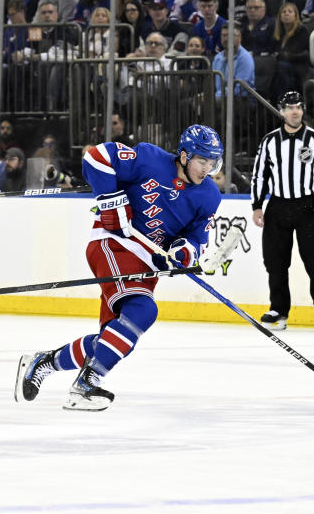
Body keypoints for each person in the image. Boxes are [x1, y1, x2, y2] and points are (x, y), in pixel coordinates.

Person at [14, 125, 223, 411]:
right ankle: (85, 386)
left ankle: (44, 362)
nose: (206, 169)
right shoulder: (149, 158)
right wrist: (111, 202)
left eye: (212, 163)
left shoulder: (209, 196)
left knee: (113, 337)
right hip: (114, 242)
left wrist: (179, 253)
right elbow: (96, 157)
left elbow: (196, 239)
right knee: (143, 311)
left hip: (147, 262)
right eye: (202, 161)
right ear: (184, 156)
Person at [251, 91, 314, 331]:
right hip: (277, 205)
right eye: (289, 107)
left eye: (298, 107)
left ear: (303, 109)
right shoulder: (269, 141)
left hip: (308, 206)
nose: (294, 111)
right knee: (275, 261)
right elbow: (260, 174)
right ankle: (278, 309)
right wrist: (257, 205)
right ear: (281, 111)